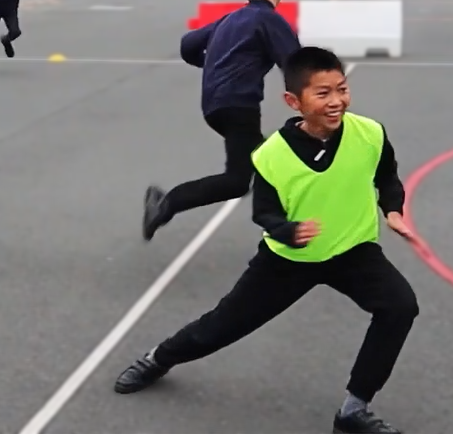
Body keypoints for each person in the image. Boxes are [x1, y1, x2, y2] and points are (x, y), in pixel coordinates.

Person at [114, 47, 420, 434]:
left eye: (341, 89)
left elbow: (387, 178)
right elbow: (265, 213)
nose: (337, 101)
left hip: (353, 251)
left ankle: (353, 410)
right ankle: (158, 358)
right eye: (322, 93)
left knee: (400, 307)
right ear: (294, 101)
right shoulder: (272, 155)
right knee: (222, 326)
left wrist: (393, 210)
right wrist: (289, 231)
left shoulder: (370, 133)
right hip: (287, 260)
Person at [143, 0, 301, 240]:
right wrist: (307, 101)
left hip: (214, 106)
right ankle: (166, 203)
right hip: (239, 105)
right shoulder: (271, 21)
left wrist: (213, 65)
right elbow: (296, 64)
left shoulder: (229, 19)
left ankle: (279, 223)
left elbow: (187, 45)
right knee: (239, 180)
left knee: (266, 160)